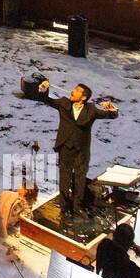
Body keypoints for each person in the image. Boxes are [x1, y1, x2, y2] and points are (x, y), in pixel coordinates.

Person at [30, 80, 118, 215]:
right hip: (65, 148)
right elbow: (46, 99)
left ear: (83, 97)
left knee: (80, 179)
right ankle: (64, 207)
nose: (72, 91)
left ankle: (77, 207)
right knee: (64, 178)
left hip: (81, 152)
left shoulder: (91, 110)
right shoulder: (64, 103)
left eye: (76, 91)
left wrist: (111, 107)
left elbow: (111, 115)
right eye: (74, 89)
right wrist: (42, 89)